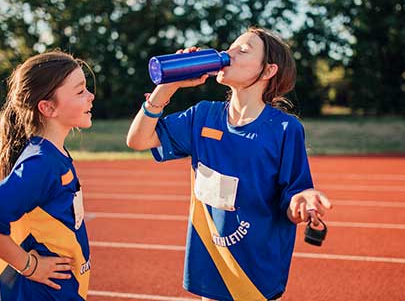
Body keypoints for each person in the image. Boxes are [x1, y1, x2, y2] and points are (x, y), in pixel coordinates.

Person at [127, 27, 332, 301]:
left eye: (243, 50)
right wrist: (168, 86)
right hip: (212, 263)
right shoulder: (203, 115)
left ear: (268, 70)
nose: (228, 53)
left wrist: (303, 202)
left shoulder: (285, 128)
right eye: (230, 47)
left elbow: (294, 196)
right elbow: (138, 140)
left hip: (255, 271)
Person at [0, 51, 95, 301]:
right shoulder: (41, 163)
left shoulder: (54, 154)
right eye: (80, 91)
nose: (91, 96)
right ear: (47, 107)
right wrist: (30, 266)